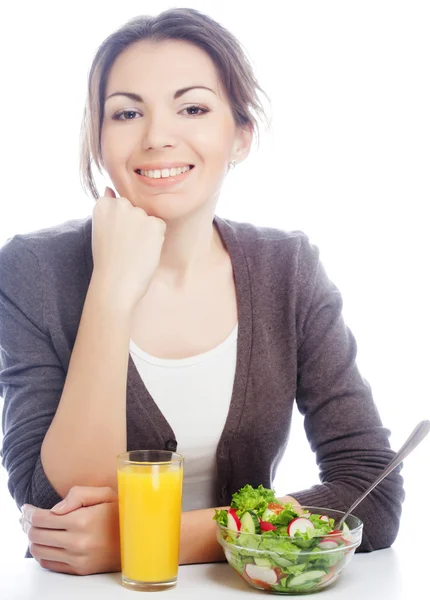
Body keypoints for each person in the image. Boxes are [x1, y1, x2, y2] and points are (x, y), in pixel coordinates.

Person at [0, 7, 404, 576]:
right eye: (126, 112)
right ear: (98, 139)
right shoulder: (33, 269)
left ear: (240, 135)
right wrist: (111, 291)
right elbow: (56, 510)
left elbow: (371, 492)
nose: (157, 136)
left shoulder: (286, 269)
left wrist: (157, 537)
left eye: (192, 107)